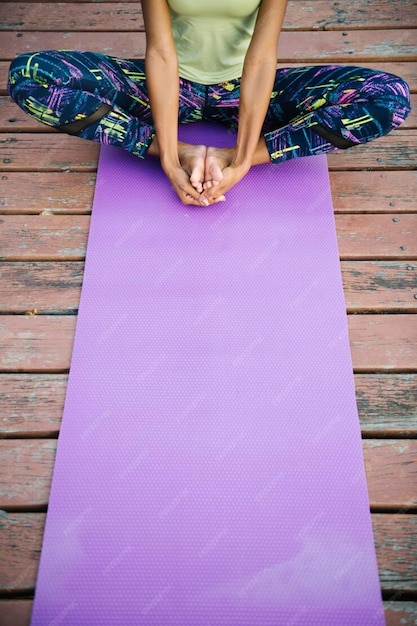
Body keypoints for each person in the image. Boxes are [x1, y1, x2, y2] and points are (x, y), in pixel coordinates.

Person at [7, 0, 411, 207]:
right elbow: (162, 54)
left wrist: (240, 161)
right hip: (171, 85)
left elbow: (261, 58)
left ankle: (245, 150)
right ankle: (177, 148)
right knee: (28, 74)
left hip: (246, 88)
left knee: (388, 96)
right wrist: (169, 156)